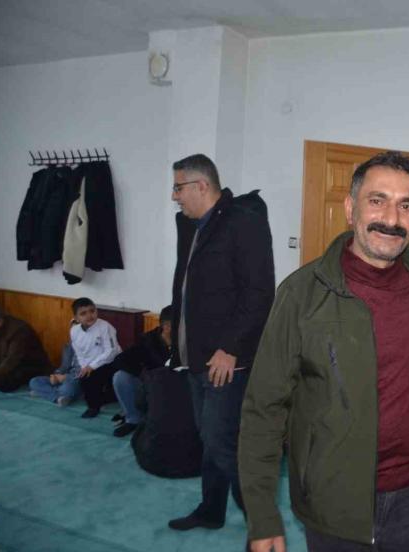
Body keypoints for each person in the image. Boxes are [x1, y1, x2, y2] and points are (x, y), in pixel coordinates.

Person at [239, 151, 409, 552]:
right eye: (377, 200)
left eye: (406, 205)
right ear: (350, 209)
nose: (391, 218)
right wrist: (262, 516)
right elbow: (264, 408)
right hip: (333, 501)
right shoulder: (300, 294)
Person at [168, 154, 275, 531]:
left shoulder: (243, 222)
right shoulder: (191, 226)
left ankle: (262, 524)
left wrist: (231, 348)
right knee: (210, 440)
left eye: (178, 187)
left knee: (223, 443)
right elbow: (190, 288)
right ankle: (211, 510)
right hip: (196, 357)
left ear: (201, 185)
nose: (174, 196)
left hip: (227, 360)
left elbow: (259, 293)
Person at [110, 305, 173, 438]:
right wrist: (144, 375)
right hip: (153, 385)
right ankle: (133, 419)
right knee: (121, 377)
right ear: (167, 327)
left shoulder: (189, 341)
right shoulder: (148, 340)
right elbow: (120, 360)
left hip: (177, 387)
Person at [71, 297, 122, 418]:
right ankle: (96, 402)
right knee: (84, 377)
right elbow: (78, 352)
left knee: (93, 378)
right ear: (76, 318)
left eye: (92, 311)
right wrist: (84, 367)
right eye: (83, 313)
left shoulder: (105, 327)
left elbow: (111, 351)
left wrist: (92, 366)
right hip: (90, 364)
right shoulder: (74, 331)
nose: (89, 315)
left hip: (112, 361)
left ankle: (95, 407)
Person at [0, 300, 51, 391]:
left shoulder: (19, 331)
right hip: (2, 363)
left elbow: (11, 361)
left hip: (26, 366)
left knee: (4, 381)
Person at [29, 329, 82, 406]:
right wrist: (56, 375)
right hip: (61, 380)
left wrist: (65, 377)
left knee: (67, 388)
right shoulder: (68, 347)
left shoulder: (90, 349)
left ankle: (45, 393)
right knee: (34, 381)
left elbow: (85, 373)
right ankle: (58, 397)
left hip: (76, 380)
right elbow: (64, 366)